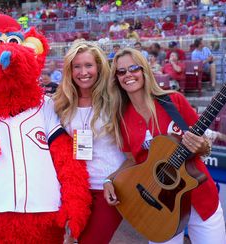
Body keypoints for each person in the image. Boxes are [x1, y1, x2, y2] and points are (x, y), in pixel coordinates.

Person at [104, 47, 226, 244]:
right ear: (116, 77)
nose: (128, 75)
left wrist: (200, 145)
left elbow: (204, 146)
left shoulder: (174, 101)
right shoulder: (121, 119)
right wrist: (109, 181)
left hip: (200, 197)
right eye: (121, 71)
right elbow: (131, 160)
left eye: (134, 68)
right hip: (159, 206)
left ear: (144, 70)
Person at [54, 41, 126, 244]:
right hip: (76, 190)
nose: (83, 72)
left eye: (88, 65)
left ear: (99, 67)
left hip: (110, 187)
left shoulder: (116, 99)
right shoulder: (62, 102)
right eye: (77, 66)